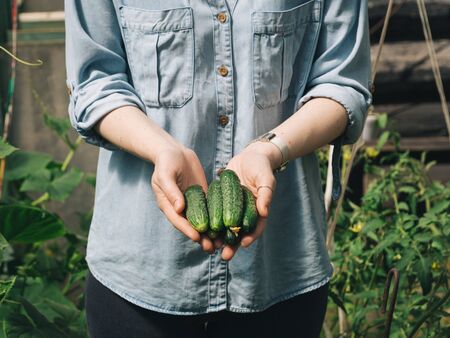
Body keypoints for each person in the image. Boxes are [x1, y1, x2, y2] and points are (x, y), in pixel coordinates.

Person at [65, 0, 371, 337]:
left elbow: (343, 86)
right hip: (139, 274)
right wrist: (161, 148)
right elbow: (95, 84)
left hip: (279, 270)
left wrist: (271, 149)